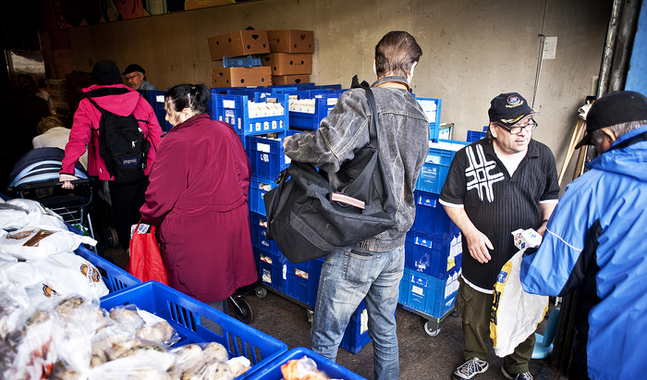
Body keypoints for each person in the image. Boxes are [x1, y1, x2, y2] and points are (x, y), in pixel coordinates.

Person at [282, 31, 429, 380]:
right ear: (411, 69)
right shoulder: (420, 114)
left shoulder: (362, 101)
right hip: (396, 242)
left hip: (359, 243)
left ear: (377, 65)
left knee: (326, 337)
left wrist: (292, 144)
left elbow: (328, 150)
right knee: (384, 331)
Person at [520, 91, 647, 380]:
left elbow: (549, 276)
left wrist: (535, 248)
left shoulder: (593, 188)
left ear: (608, 134)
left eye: (596, 142)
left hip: (614, 343)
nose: (597, 150)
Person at [439, 92, 559, 380]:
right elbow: (450, 201)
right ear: (494, 128)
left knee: (524, 308)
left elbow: (550, 196)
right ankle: (476, 357)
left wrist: (545, 225)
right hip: (483, 253)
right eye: (515, 126)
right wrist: (470, 233)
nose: (523, 133)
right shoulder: (468, 157)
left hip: (524, 256)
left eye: (528, 124)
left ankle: (517, 366)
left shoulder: (541, 154)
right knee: (475, 311)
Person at [139, 84, 257, 317]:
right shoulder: (225, 130)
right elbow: (243, 173)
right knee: (220, 280)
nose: (165, 116)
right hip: (230, 219)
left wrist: (147, 217)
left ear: (185, 112)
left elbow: (160, 195)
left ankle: (209, 345)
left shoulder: (176, 141)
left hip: (195, 229)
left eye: (167, 110)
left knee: (200, 292)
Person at [58, 59, 163, 251]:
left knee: (123, 216)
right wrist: (163, 167)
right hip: (145, 170)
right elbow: (156, 134)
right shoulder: (139, 99)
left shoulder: (87, 104)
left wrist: (67, 169)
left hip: (114, 173)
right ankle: (152, 254)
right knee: (147, 215)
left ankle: (131, 255)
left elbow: (78, 139)